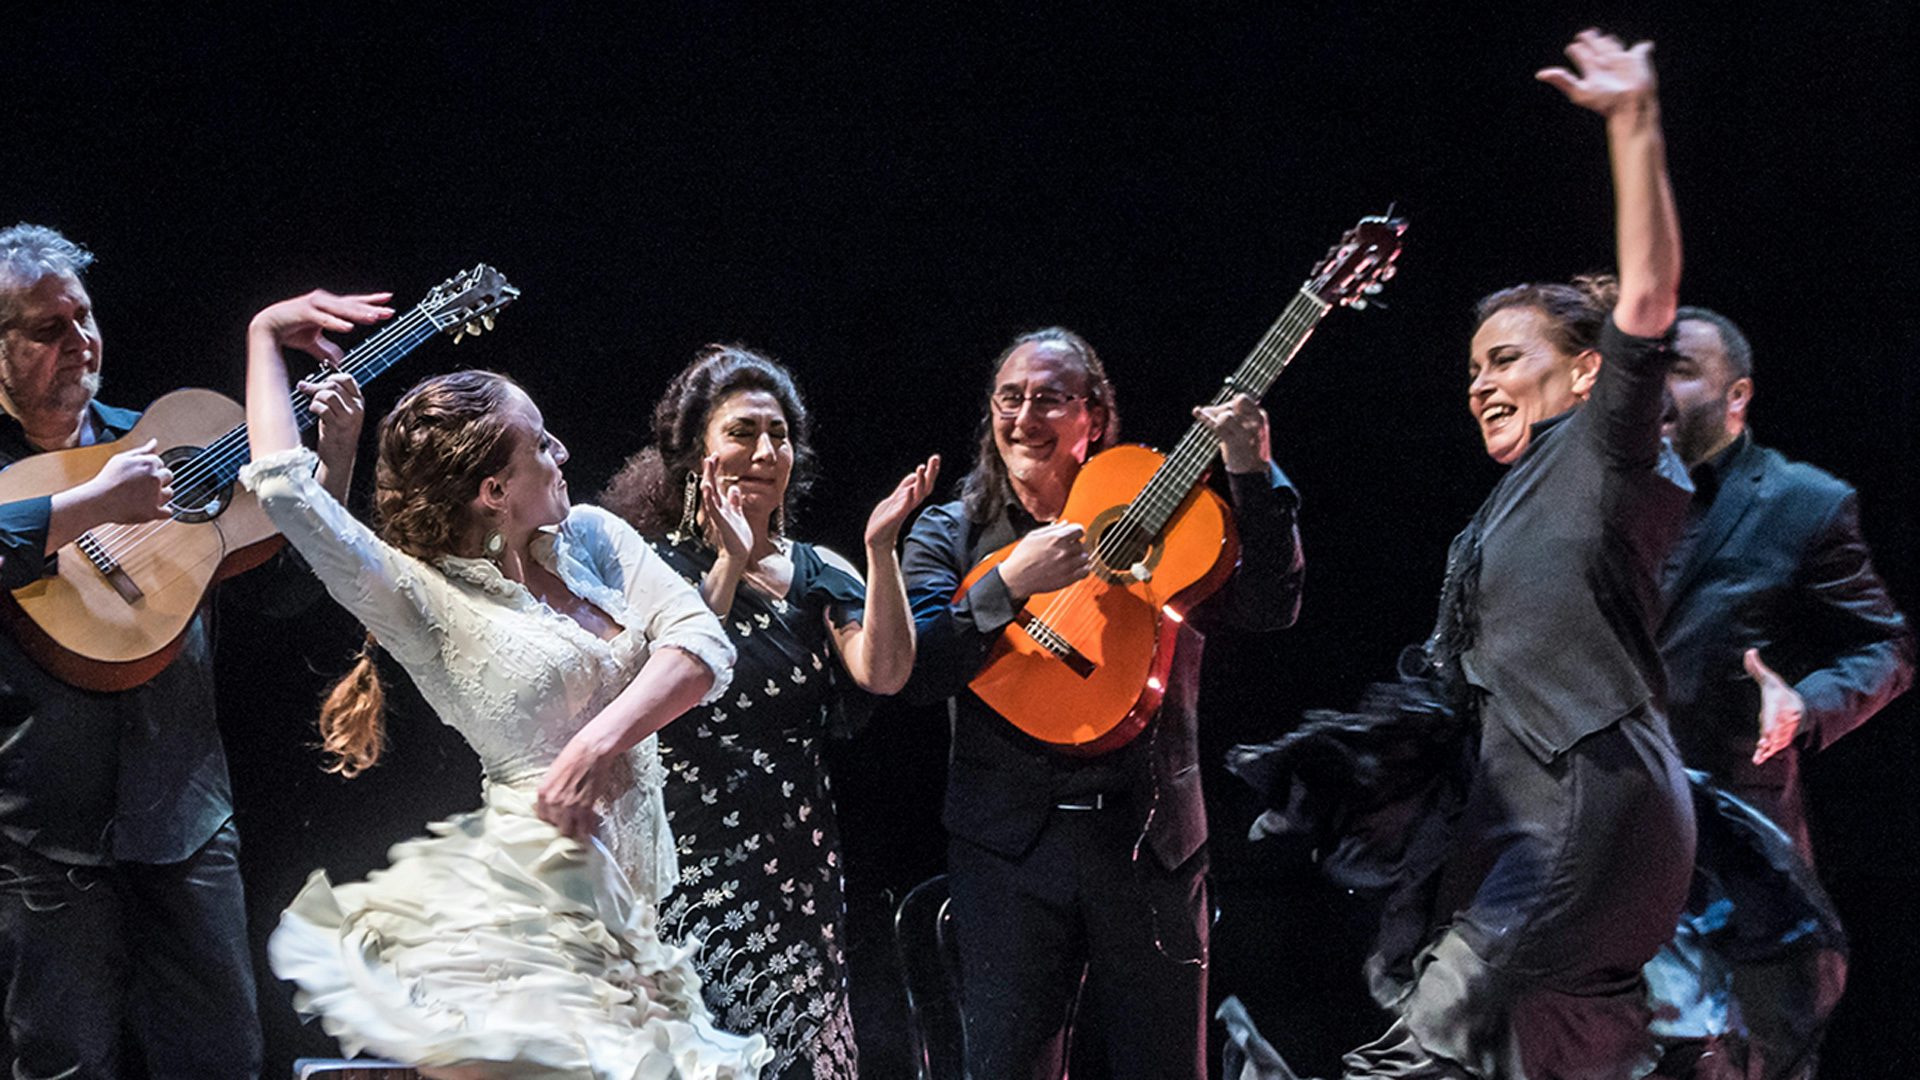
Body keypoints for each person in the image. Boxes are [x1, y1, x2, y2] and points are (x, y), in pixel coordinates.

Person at [1226, 29, 1693, 1079]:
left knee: (1427, 1046)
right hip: (1524, 815)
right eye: (1471, 369)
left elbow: (1650, 298)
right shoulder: (1508, 507)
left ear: (1585, 375)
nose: (1479, 383)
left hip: (1584, 799)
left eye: (1507, 360)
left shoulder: (1604, 453)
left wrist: (1633, 123)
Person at [240, 290, 769, 1078]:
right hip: (532, 904)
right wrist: (263, 337)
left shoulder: (591, 537)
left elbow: (700, 647)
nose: (563, 451)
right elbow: (287, 492)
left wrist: (596, 743)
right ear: (494, 491)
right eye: (542, 446)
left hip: (634, 904)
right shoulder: (423, 599)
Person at [0, 223, 364, 1080]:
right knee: (62, 1064)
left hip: (185, 817)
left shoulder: (164, 441)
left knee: (222, 1058)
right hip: (38, 824)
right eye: (47, 328)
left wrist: (334, 464)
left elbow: (285, 591)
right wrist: (92, 505)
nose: (78, 342)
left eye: (83, 317)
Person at [900, 324, 1306, 1079]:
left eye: (1050, 400)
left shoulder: (1169, 518)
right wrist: (1005, 584)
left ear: (1093, 416)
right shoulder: (949, 531)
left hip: (1149, 840)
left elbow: (1270, 605)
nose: (1025, 417)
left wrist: (1251, 473)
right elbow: (918, 670)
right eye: (1010, 398)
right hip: (1006, 850)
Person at [599, 343, 938, 1079]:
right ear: (697, 457)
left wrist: (881, 550)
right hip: (686, 869)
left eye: (779, 434)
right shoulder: (652, 566)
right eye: (742, 433)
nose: (764, 450)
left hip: (797, 871)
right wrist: (728, 561)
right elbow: (665, 686)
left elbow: (884, 673)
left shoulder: (820, 570)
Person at [1643, 306, 1913, 1078]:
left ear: (1739, 396)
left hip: (1731, 841)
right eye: (1650, 367)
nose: (1658, 386)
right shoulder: (1606, 499)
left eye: (1682, 370)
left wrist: (1804, 703)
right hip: (1610, 834)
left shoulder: (1802, 501)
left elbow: (1886, 645)